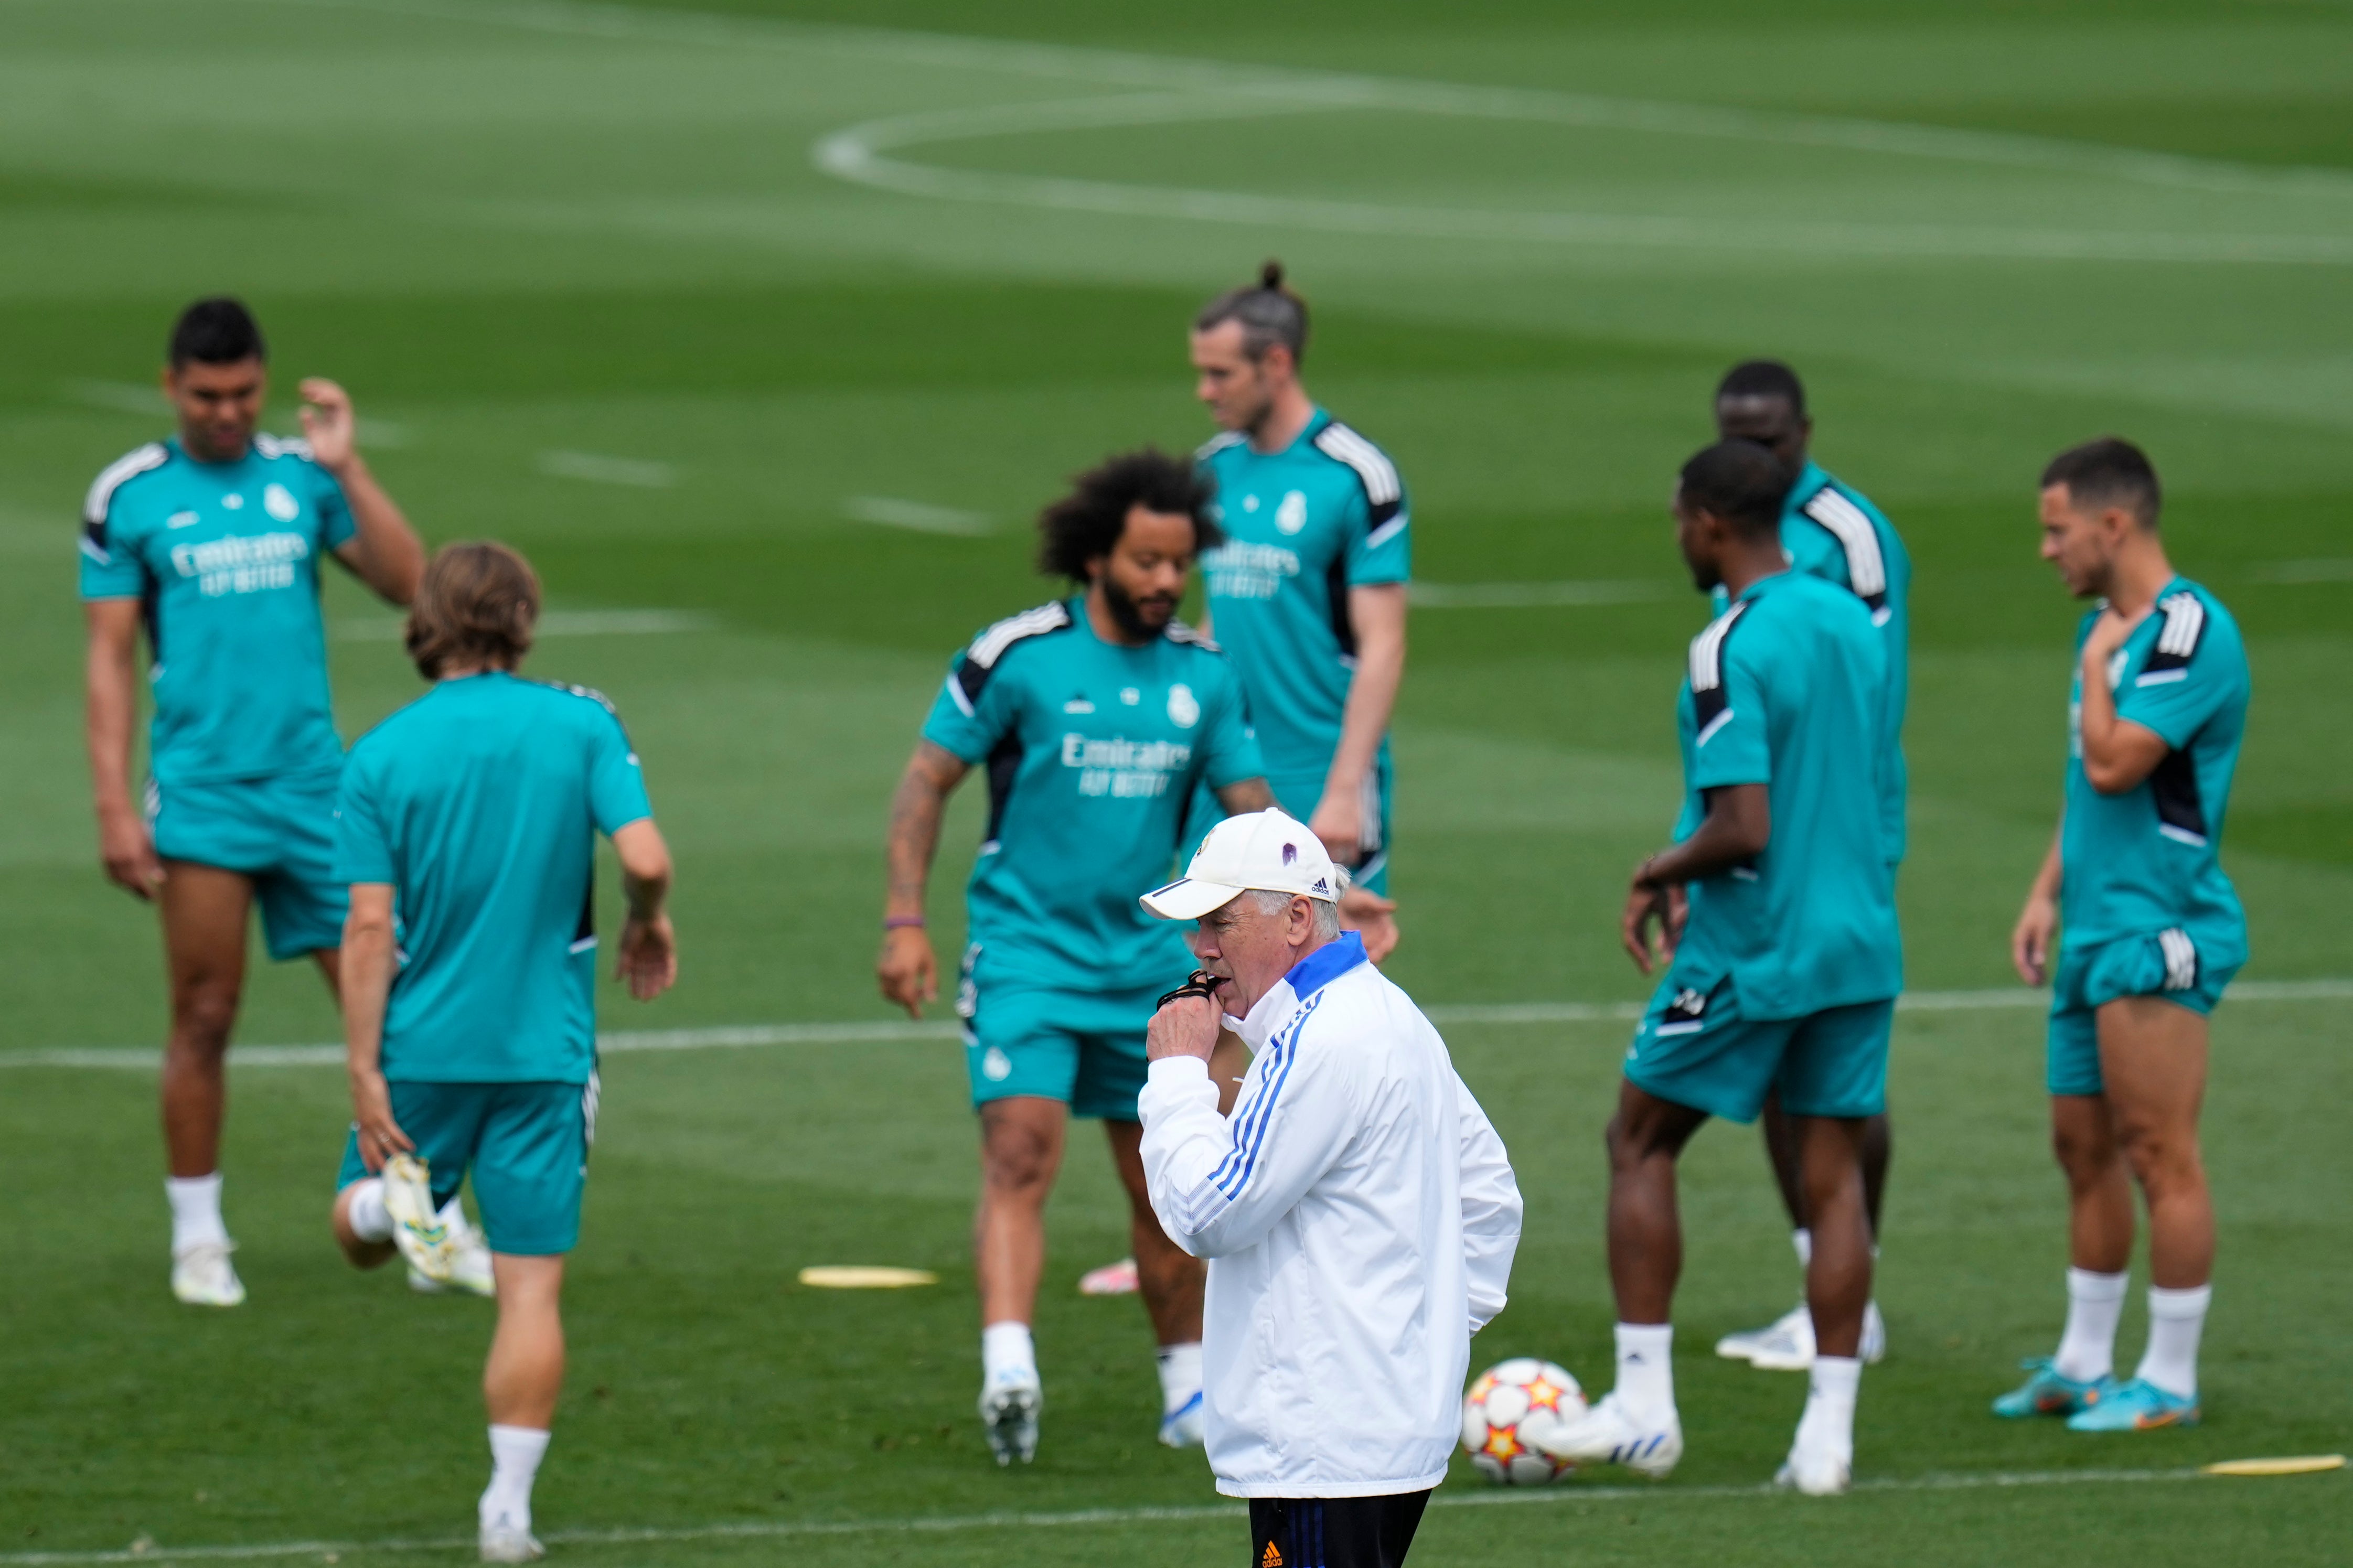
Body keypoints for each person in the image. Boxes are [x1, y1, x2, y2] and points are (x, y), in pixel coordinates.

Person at [875, 450, 1273, 1465]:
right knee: (1020, 1155)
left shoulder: (1204, 675)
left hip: (1151, 965)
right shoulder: (1016, 657)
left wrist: (1315, 898)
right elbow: (926, 782)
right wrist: (904, 919)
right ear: (1095, 554)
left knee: (1166, 1179)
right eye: (1145, 560)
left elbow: (1253, 819)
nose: (1161, 582)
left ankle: (1187, 1387)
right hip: (1027, 956)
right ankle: (1010, 1367)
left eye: (1177, 564)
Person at [1535, 440, 1900, 1496]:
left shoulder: (1726, 646)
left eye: (1677, 517)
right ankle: (1824, 1440)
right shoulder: (1850, 622)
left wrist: (1661, 864)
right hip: (1859, 939)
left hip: (1755, 945)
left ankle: (1644, 1408)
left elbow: (1744, 824)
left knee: (1638, 1137)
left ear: (1705, 521)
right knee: (1829, 1180)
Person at [328, 542, 678, 1562]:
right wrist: (644, 918)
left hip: (422, 1048)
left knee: (355, 1235)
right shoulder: (581, 721)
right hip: (544, 1054)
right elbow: (647, 856)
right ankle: (506, 1513)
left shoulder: (380, 755)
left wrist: (362, 1071)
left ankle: (388, 1206)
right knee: (529, 1287)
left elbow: (363, 929)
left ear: (424, 622)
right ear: (523, 618)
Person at [81, 295, 427, 1306]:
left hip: (318, 791)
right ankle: (199, 1236)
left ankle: (423, 1215)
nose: (226, 414)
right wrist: (112, 805)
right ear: (171, 387)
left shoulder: (299, 478)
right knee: (204, 1011)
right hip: (203, 797)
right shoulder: (129, 496)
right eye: (206, 396)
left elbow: (409, 584)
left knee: (386, 1010)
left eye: (242, 394)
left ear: (263, 383)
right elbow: (107, 658)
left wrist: (347, 464)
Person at [1136, 808, 1521, 1568]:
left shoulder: (1317, 1038)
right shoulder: (1389, 1014)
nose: (1200, 948)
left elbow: (1207, 1213)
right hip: (1380, 1431)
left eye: (1219, 922)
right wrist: (1416, 1347)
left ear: (1297, 918)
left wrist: (1178, 1073)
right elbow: (1490, 1196)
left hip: (1321, 1442)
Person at [1995, 439, 2247, 1433]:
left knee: (2157, 1151)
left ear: (2113, 524)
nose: (2046, 551)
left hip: (2158, 928)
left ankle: (2170, 1382)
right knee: (2081, 1148)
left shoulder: (2185, 632)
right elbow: (2081, 792)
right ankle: (2082, 1362)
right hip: (2093, 927)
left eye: (2056, 530)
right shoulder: (2106, 632)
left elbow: (2113, 767)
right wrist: (2044, 892)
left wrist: (2101, 663)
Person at [1707, 360, 1910, 1373]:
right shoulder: (1732, 533)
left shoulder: (1851, 539)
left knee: (1832, 1077)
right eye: (1738, 438)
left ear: (1805, 431)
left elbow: (1868, 705)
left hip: (1836, 839)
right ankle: (1825, 1291)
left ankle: (1850, 1295)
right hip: (1760, 841)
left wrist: (1852, 845)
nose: (1759, 455)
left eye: (1773, 437)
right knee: (1779, 1072)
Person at [1189, 262, 1406, 960]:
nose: (1205, 391)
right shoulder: (1211, 469)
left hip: (1320, 774)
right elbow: (1211, 621)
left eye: (1220, 374)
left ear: (1275, 364)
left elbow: (1383, 644)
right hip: (1229, 776)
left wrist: (1343, 791)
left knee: (1327, 990)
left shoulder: (1353, 475)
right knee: (1212, 990)